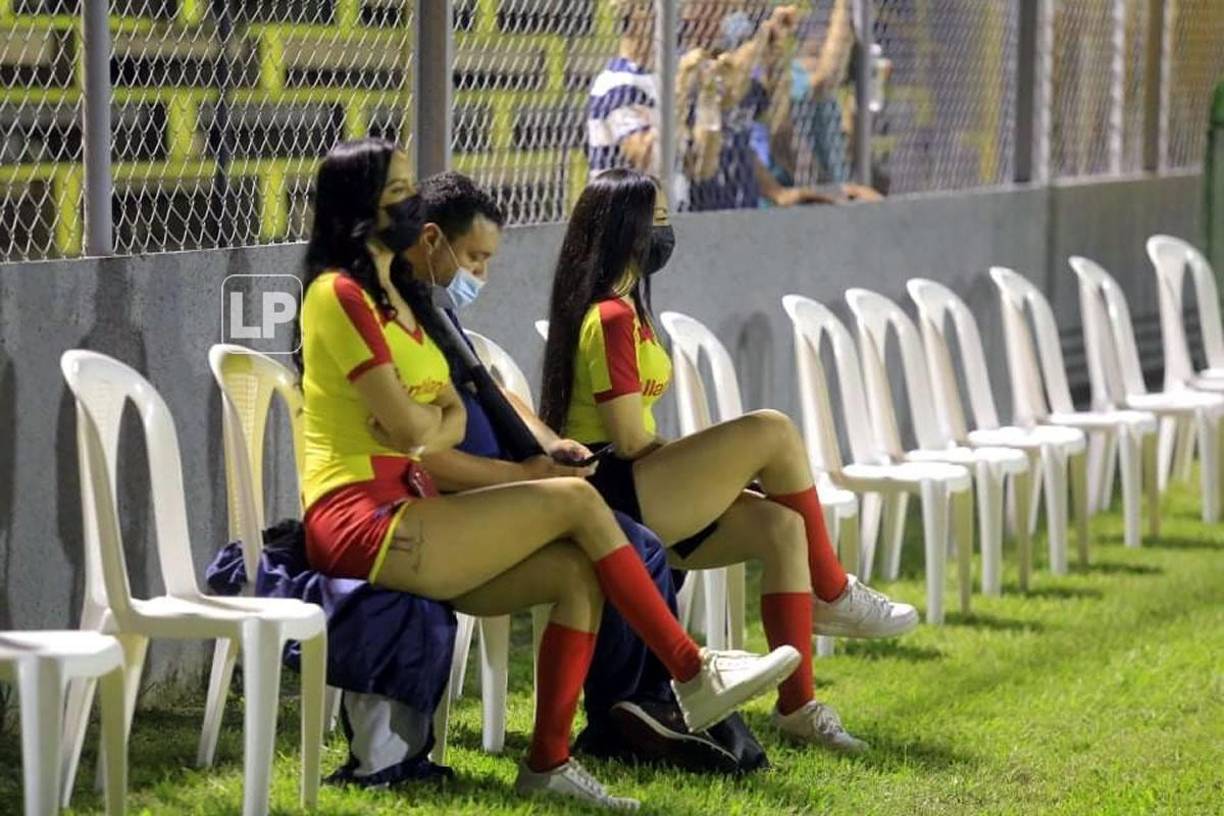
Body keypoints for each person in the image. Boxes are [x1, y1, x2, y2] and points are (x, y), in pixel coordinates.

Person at [294, 138, 799, 809]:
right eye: (396, 194)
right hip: (364, 517)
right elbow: (418, 431)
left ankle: (549, 762)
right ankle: (690, 668)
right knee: (576, 504)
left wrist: (436, 417)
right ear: (358, 207)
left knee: (577, 574)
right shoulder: (340, 294)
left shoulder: (402, 307)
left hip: (414, 508)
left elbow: (433, 420)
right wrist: (437, 417)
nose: (411, 204)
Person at [540, 168, 920, 751]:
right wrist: (720, 470)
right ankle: (834, 590)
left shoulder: (626, 310)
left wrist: (714, 477)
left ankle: (799, 708)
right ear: (624, 230)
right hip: (610, 489)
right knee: (771, 430)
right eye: (656, 221)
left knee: (782, 526)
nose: (666, 233)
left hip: (636, 480)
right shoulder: (611, 317)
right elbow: (629, 438)